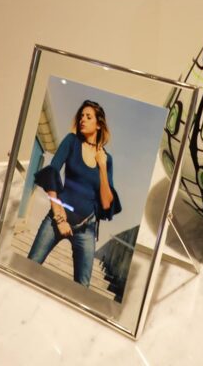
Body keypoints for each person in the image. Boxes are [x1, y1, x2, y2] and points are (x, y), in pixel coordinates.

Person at [27, 99, 121, 287]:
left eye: (88, 117)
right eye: (81, 116)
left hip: (86, 229)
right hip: (57, 219)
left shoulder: (107, 159)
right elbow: (52, 172)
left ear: (99, 124)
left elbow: (106, 202)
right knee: (29, 267)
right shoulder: (71, 141)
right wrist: (59, 217)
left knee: (82, 288)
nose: (82, 120)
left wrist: (102, 167)